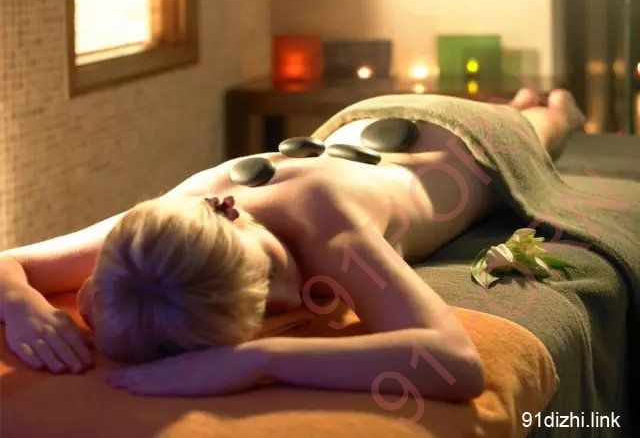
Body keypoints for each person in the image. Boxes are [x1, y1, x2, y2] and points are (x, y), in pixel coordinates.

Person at [0, 89, 585, 399]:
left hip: (479, 146)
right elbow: (8, 263)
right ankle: (528, 101)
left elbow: (454, 364)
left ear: (226, 208)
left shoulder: (328, 225)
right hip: (357, 125)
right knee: (524, 108)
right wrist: (21, 302)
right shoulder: (165, 238)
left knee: (545, 126)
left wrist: (259, 361)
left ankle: (557, 107)